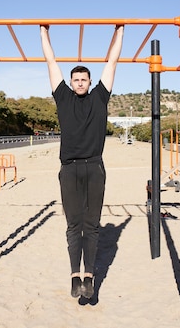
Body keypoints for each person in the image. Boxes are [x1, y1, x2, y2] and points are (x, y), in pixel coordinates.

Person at [40, 24, 124, 299]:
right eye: (75, 79)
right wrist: (44, 33)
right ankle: (75, 276)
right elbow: (51, 63)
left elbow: (112, 62)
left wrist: (119, 31)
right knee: (73, 225)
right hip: (69, 169)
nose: (78, 82)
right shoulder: (62, 98)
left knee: (93, 225)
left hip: (94, 167)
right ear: (71, 82)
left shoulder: (100, 97)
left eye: (83, 79)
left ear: (89, 82)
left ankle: (89, 275)